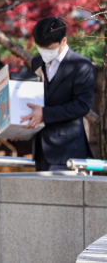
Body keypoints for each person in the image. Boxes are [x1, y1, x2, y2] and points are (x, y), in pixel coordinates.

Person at [23, 17, 95, 171]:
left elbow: (82, 106)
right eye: (40, 48)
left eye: (49, 49)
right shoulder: (36, 62)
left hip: (68, 150)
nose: (44, 52)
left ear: (64, 41)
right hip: (40, 148)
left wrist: (45, 114)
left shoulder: (81, 65)